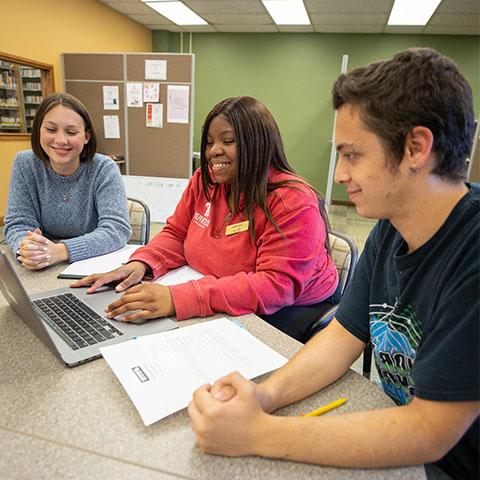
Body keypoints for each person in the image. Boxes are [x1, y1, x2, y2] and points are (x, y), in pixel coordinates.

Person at [187, 48, 480, 480]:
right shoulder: (391, 228)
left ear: (416, 148)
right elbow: (342, 337)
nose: (340, 174)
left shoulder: (471, 255)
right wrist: (264, 397)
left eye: (353, 154)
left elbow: (429, 430)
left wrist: (259, 434)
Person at [72, 96, 338, 328]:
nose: (213, 151)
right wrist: (140, 263)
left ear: (259, 144)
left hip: (288, 308)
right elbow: (177, 233)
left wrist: (180, 298)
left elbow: (276, 285)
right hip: (215, 288)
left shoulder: (292, 201)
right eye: (210, 142)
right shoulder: (205, 180)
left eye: (228, 141)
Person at [4, 92, 131, 270]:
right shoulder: (25, 164)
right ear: (38, 130)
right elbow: (18, 223)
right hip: (42, 265)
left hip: (91, 263)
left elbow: (117, 229)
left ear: (86, 137)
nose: (61, 140)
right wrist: (27, 247)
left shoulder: (104, 168)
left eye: (71, 132)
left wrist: (61, 251)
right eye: (50, 129)